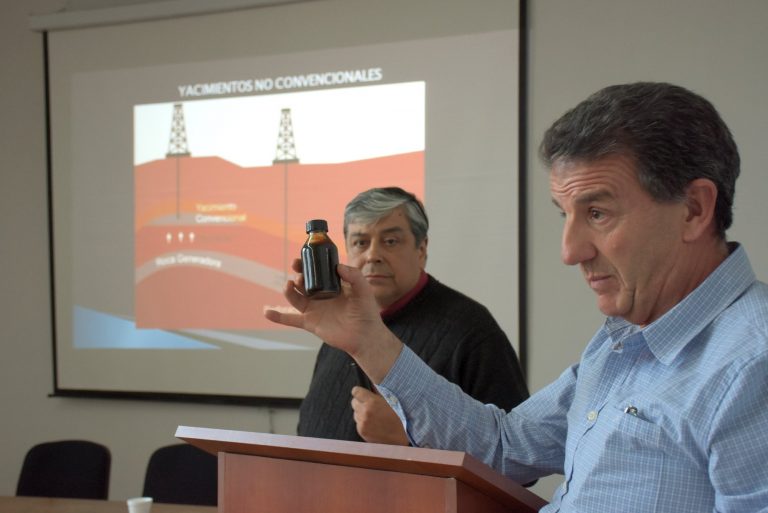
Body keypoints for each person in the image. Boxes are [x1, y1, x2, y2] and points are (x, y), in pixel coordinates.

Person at [266, 82, 768, 511]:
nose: (570, 252)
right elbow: (505, 444)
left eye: (597, 213)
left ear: (694, 209)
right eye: (565, 215)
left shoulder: (753, 365)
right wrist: (368, 340)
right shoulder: (620, 342)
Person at [297, 187, 529, 444]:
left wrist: (410, 440)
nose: (372, 255)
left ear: (421, 249)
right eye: (361, 243)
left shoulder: (472, 330)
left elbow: (514, 452)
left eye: (390, 241)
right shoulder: (342, 323)